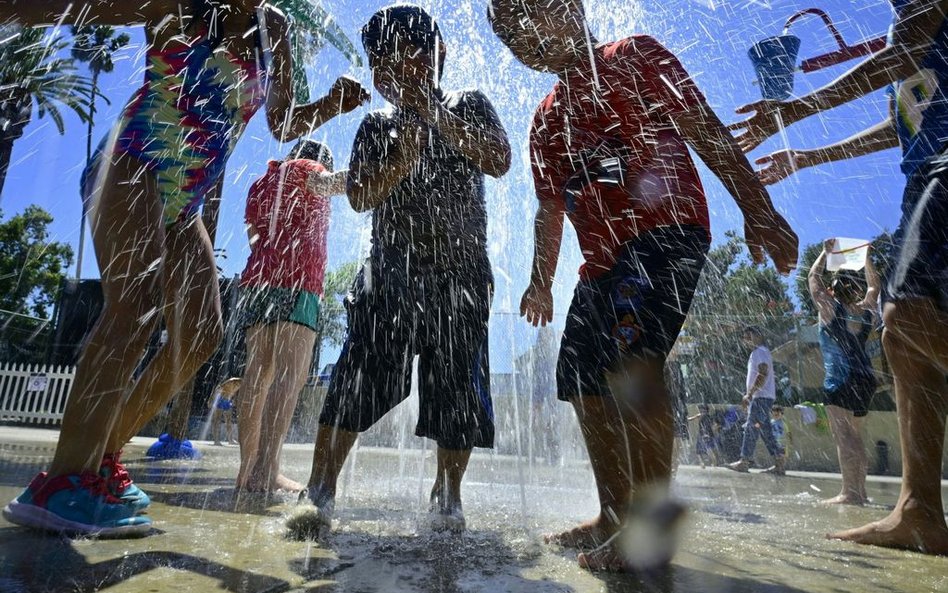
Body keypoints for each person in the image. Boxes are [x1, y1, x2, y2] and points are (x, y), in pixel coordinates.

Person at [0, 0, 369, 537]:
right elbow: (63, 8)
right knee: (135, 309)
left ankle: (100, 459)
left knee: (201, 334)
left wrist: (331, 104)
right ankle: (62, 480)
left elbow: (284, 119)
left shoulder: (275, 29)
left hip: (185, 201)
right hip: (131, 163)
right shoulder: (177, 5)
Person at [488, 0, 797, 571]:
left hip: (667, 231)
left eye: (529, 15)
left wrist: (758, 209)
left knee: (634, 361)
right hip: (602, 261)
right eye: (507, 34)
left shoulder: (633, 56)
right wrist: (538, 281)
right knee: (579, 375)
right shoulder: (544, 119)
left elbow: (704, 129)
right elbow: (548, 207)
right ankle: (613, 513)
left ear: (572, 7)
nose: (521, 37)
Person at [730, 0, 948, 555]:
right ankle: (919, 509)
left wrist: (794, 109)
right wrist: (807, 154)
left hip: (943, 170)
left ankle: (920, 508)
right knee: (909, 330)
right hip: (926, 172)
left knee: (909, 325)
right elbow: (901, 124)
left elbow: (900, 55)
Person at [287, 4, 511, 538]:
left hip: (461, 277)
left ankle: (448, 493)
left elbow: (498, 158)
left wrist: (435, 119)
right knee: (356, 378)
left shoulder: (469, 103)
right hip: (389, 275)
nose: (390, 75)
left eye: (404, 62)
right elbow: (361, 197)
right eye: (380, 65)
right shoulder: (374, 124)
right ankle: (321, 487)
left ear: (437, 56)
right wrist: (399, 162)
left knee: (457, 390)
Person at [235, 140, 345, 493]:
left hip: (258, 281)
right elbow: (332, 184)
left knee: (257, 371)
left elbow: (252, 236)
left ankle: (247, 469)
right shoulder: (307, 169)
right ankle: (267, 470)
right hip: (300, 282)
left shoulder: (261, 182)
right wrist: (372, 175)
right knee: (289, 376)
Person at [809, 240, 881, 504]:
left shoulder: (829, 309)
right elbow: (875, 287)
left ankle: (849, 493)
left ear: (833, 291)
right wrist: (867, 261)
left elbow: (812, 276)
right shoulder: (865, 312)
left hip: (840, 380)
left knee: (844, 437)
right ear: (856, 289)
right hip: (865, 379)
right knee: (856, 436)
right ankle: (861, 492)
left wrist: (823, 254)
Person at [727, 326, 785, 475]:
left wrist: (750, 394)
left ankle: (744, 461)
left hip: (761, 398)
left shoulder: (760, 352)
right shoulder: (760, 352)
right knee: (765, 431)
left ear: (758, 336)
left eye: (749, 336)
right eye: (744, 338)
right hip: (764, 398)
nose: (746, 340)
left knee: (751, 428)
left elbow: (763, 373)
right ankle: (779, 463)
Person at [209, 378, 241, 446]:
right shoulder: (232, 381)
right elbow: (218, 387)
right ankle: (216, 440)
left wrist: (234, 399)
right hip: (220, 399)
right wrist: (211, 399)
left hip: (227, 400)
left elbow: (234, 392)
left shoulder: (240, 384)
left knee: (229, 421)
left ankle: (230, 440)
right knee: (217, 421)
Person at [689, 403, 718, 468]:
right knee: (703, 450)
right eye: (700, 411)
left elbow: (709, 426)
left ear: (705, 411)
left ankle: (712, 464)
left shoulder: (705, 417)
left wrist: (706, 434)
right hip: (706, 435)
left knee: (706, 450)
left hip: (704, 435)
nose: (700, 412)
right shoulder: (706, 416)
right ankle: (705, 463)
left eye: (701, 411)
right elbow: (692, 418)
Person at [769, 405, 791, 471]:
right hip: (775, 442)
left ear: (782, 414)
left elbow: (788, 432)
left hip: (782, 442)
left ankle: (781, 468)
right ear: (772, 413)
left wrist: (790, 440)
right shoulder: (771, 422)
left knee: (782, 456)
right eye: (775, 414)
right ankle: (778, 467)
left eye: (778, 414)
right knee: (777, 456)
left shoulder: (783, 423)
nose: (777, 415)